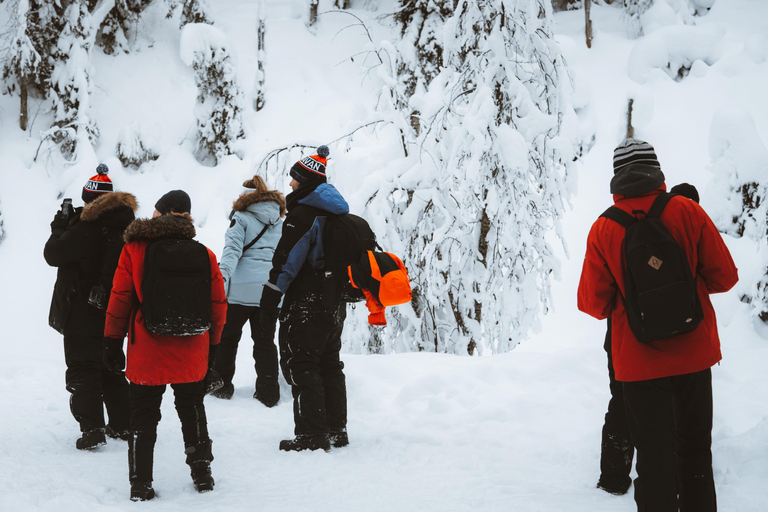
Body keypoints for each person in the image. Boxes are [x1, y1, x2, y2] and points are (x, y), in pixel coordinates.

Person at [578, 139, 738, 512]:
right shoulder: (687, 211)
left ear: (617, 177)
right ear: (656, 170)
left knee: (653, 462)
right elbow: (725, 277)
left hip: (637, 365)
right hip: (694, 355)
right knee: (695, 452)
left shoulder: (604, 228)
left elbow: (593, 304)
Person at [103, 190, 227, 501]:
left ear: (161, 213)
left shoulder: (134, 249)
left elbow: (120, 299)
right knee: (192, 408)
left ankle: (140, 483)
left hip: (148, 349)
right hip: (193, 346)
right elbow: (218, 305)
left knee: (143, 414)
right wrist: (213, 346)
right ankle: (203, 475)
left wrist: (111, 341)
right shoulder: (204, 253)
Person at [596, 182, 701, 496]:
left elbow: (597, 296)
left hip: (622, 333)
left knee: (623, 400)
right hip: (676, 335)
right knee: (673, 404)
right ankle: (673, 474)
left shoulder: (630, 226)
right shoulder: (683, 233)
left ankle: (613, 477)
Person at [260, 145, 350, 452]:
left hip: (308, 301)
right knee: (330, 363)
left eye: (295, 179)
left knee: (303, 364)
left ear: (306, 181)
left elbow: (288, 259)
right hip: (335, 300)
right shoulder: (337, 214)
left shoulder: (304, 214)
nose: (291, 184)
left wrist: (271, 295)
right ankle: (336, 430)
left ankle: (312, 434)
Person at [44, 164, 136, 450]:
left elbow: (53, 253)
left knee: (83, 367)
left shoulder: (87, 227)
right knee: (109, 367)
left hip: (83, 310)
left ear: (90, 200)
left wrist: (60, 226)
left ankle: (92, 428)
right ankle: (123, 424)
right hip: (115, 307)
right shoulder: (126, 226)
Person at [211, 175, 284, 404]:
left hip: (240, 293)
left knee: (228, 339)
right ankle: (268, 392)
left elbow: (232, 251)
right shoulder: (281, 223)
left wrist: (220, 278)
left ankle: (222, 387)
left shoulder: (240, 218)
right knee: (265, 341)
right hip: (270, 292)